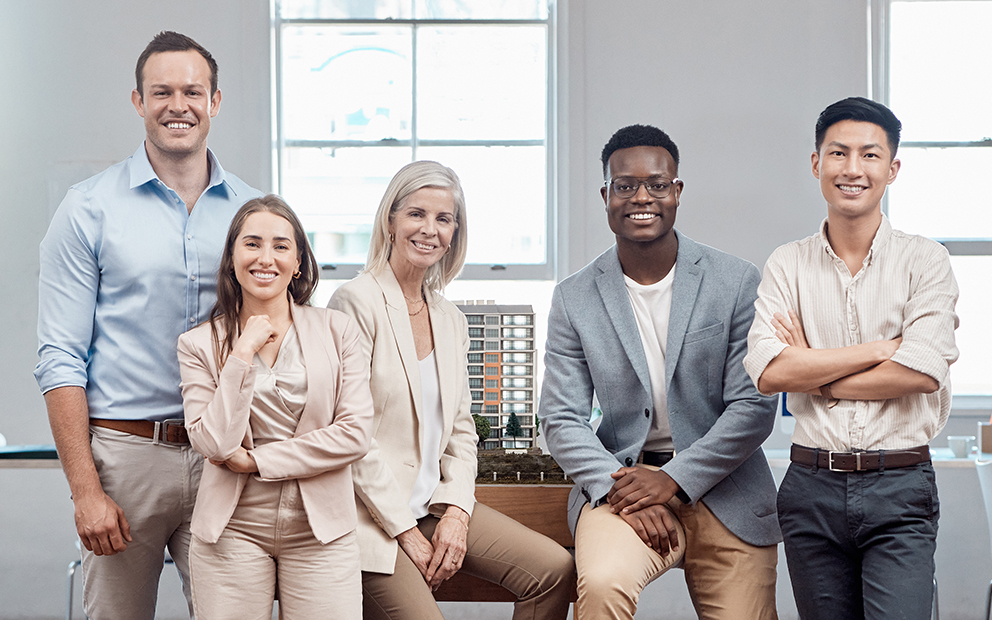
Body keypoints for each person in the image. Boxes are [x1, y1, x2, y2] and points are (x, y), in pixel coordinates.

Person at [34, 31, 261, 619]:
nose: (176, 105)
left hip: (226, 459)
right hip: (125, 458)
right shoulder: (87, 209)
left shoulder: (253, 213)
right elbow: (60, 357)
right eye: (161, 92)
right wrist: (86, 491)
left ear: (215, 101)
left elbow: (283, 336)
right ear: (138, 101)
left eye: (192, 91)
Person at [540, 124, 781, 620]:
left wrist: (672, 479)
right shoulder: (574, 297)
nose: (641, 197)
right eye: (625, 186)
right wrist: (618, 487)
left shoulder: (735, 281)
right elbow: (561, 418)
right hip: (622, 484)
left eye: (657, 184)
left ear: (677, 192)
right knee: (603, 586)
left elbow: (753, 406)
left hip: (727, 488)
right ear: (605, 195)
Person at [328, 161, 575, 620]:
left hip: (434, 505)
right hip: (371, 518)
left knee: (554, 571)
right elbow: (351, 437)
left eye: (444, 219)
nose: (430, 230)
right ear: (391, 220)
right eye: (416, 214)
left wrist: (458, 513)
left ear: (455, 231)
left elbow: (462, 432)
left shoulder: (450, 319)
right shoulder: (355, 301)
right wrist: (406, 532)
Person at [744, 97, 959, 619]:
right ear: (817, 163)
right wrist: (880, 350)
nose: (852, 169)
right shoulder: (786, 263)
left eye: (869, 155)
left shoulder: (925, 259)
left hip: (900, 486)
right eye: (838, 153)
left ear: (892, 169)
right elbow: (771, 373)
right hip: (810, 487)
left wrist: (814, 371)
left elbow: (920, 372)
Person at [177, 195, 373, 618]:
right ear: (231, 258)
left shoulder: (338, 330)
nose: (266, 258)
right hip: (232, 531)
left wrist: (258, 461)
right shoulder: (197, 344)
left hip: (321, 532)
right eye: (252, 244)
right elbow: (213, 442)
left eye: (281, 246)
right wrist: (241, 353)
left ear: (299, 261)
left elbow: (355, 433)